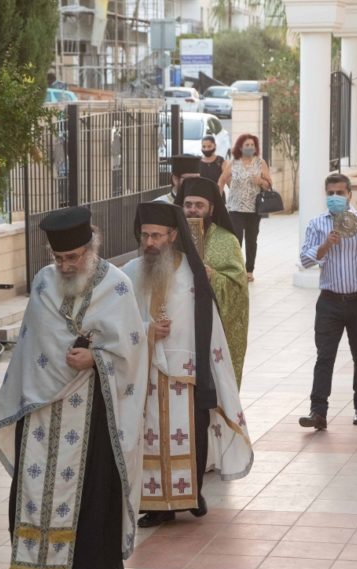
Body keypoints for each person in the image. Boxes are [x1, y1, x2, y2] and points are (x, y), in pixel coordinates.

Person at [0, 207, 147, 569]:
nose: (66, 265)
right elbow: (30, 346)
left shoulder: (117, 286)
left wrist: (96, 359)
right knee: (33, 487)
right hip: (41, 406)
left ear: (91, 249)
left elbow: (131, 350)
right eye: (59, 258)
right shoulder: (43, 283)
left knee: (91, 491)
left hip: (92, 405)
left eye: (73, 258)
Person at [123, 202, 253, 528]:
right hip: (146, 371)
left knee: (190, 434)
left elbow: (207, 325)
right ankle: (156, 505)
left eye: (157, 235)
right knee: (150, 436)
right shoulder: (129, 273)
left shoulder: (191, 275)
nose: (150, 242)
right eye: (145, 235)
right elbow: (117, 322)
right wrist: (145, 330)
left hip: (187, 372)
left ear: (173, 235)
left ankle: (192, 494)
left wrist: (208, 369)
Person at [297, 173, 357, 430]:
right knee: (325, 356)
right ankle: (318, 411)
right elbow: (306, 260)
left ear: (349, 194)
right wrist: (326, 245)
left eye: (340, 193)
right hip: (330, 300)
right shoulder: (318, 224)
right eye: (330, 193)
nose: (335, 198)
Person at [176, 176, 249, 386]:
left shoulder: (227, 240)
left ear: (211, 208)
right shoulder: (172, 238)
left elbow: (238, 287)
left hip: (212, 325)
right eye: (188, 205)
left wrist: (213, 276)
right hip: (179, 324)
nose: (193, 210)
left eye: (199, 205)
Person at [219, 133, 273, 282]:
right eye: (246, 145)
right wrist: (218, 199)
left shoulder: (260, 163)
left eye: (252, 145)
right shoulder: (234, 162)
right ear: (240, 147)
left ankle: (249, 270)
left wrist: (260, 181)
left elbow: (269, 184)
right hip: (235, 207)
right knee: (236, 239)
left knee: (251, 239)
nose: (250, 147)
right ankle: (237, 268)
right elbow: (222, 179)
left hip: (253, 208)